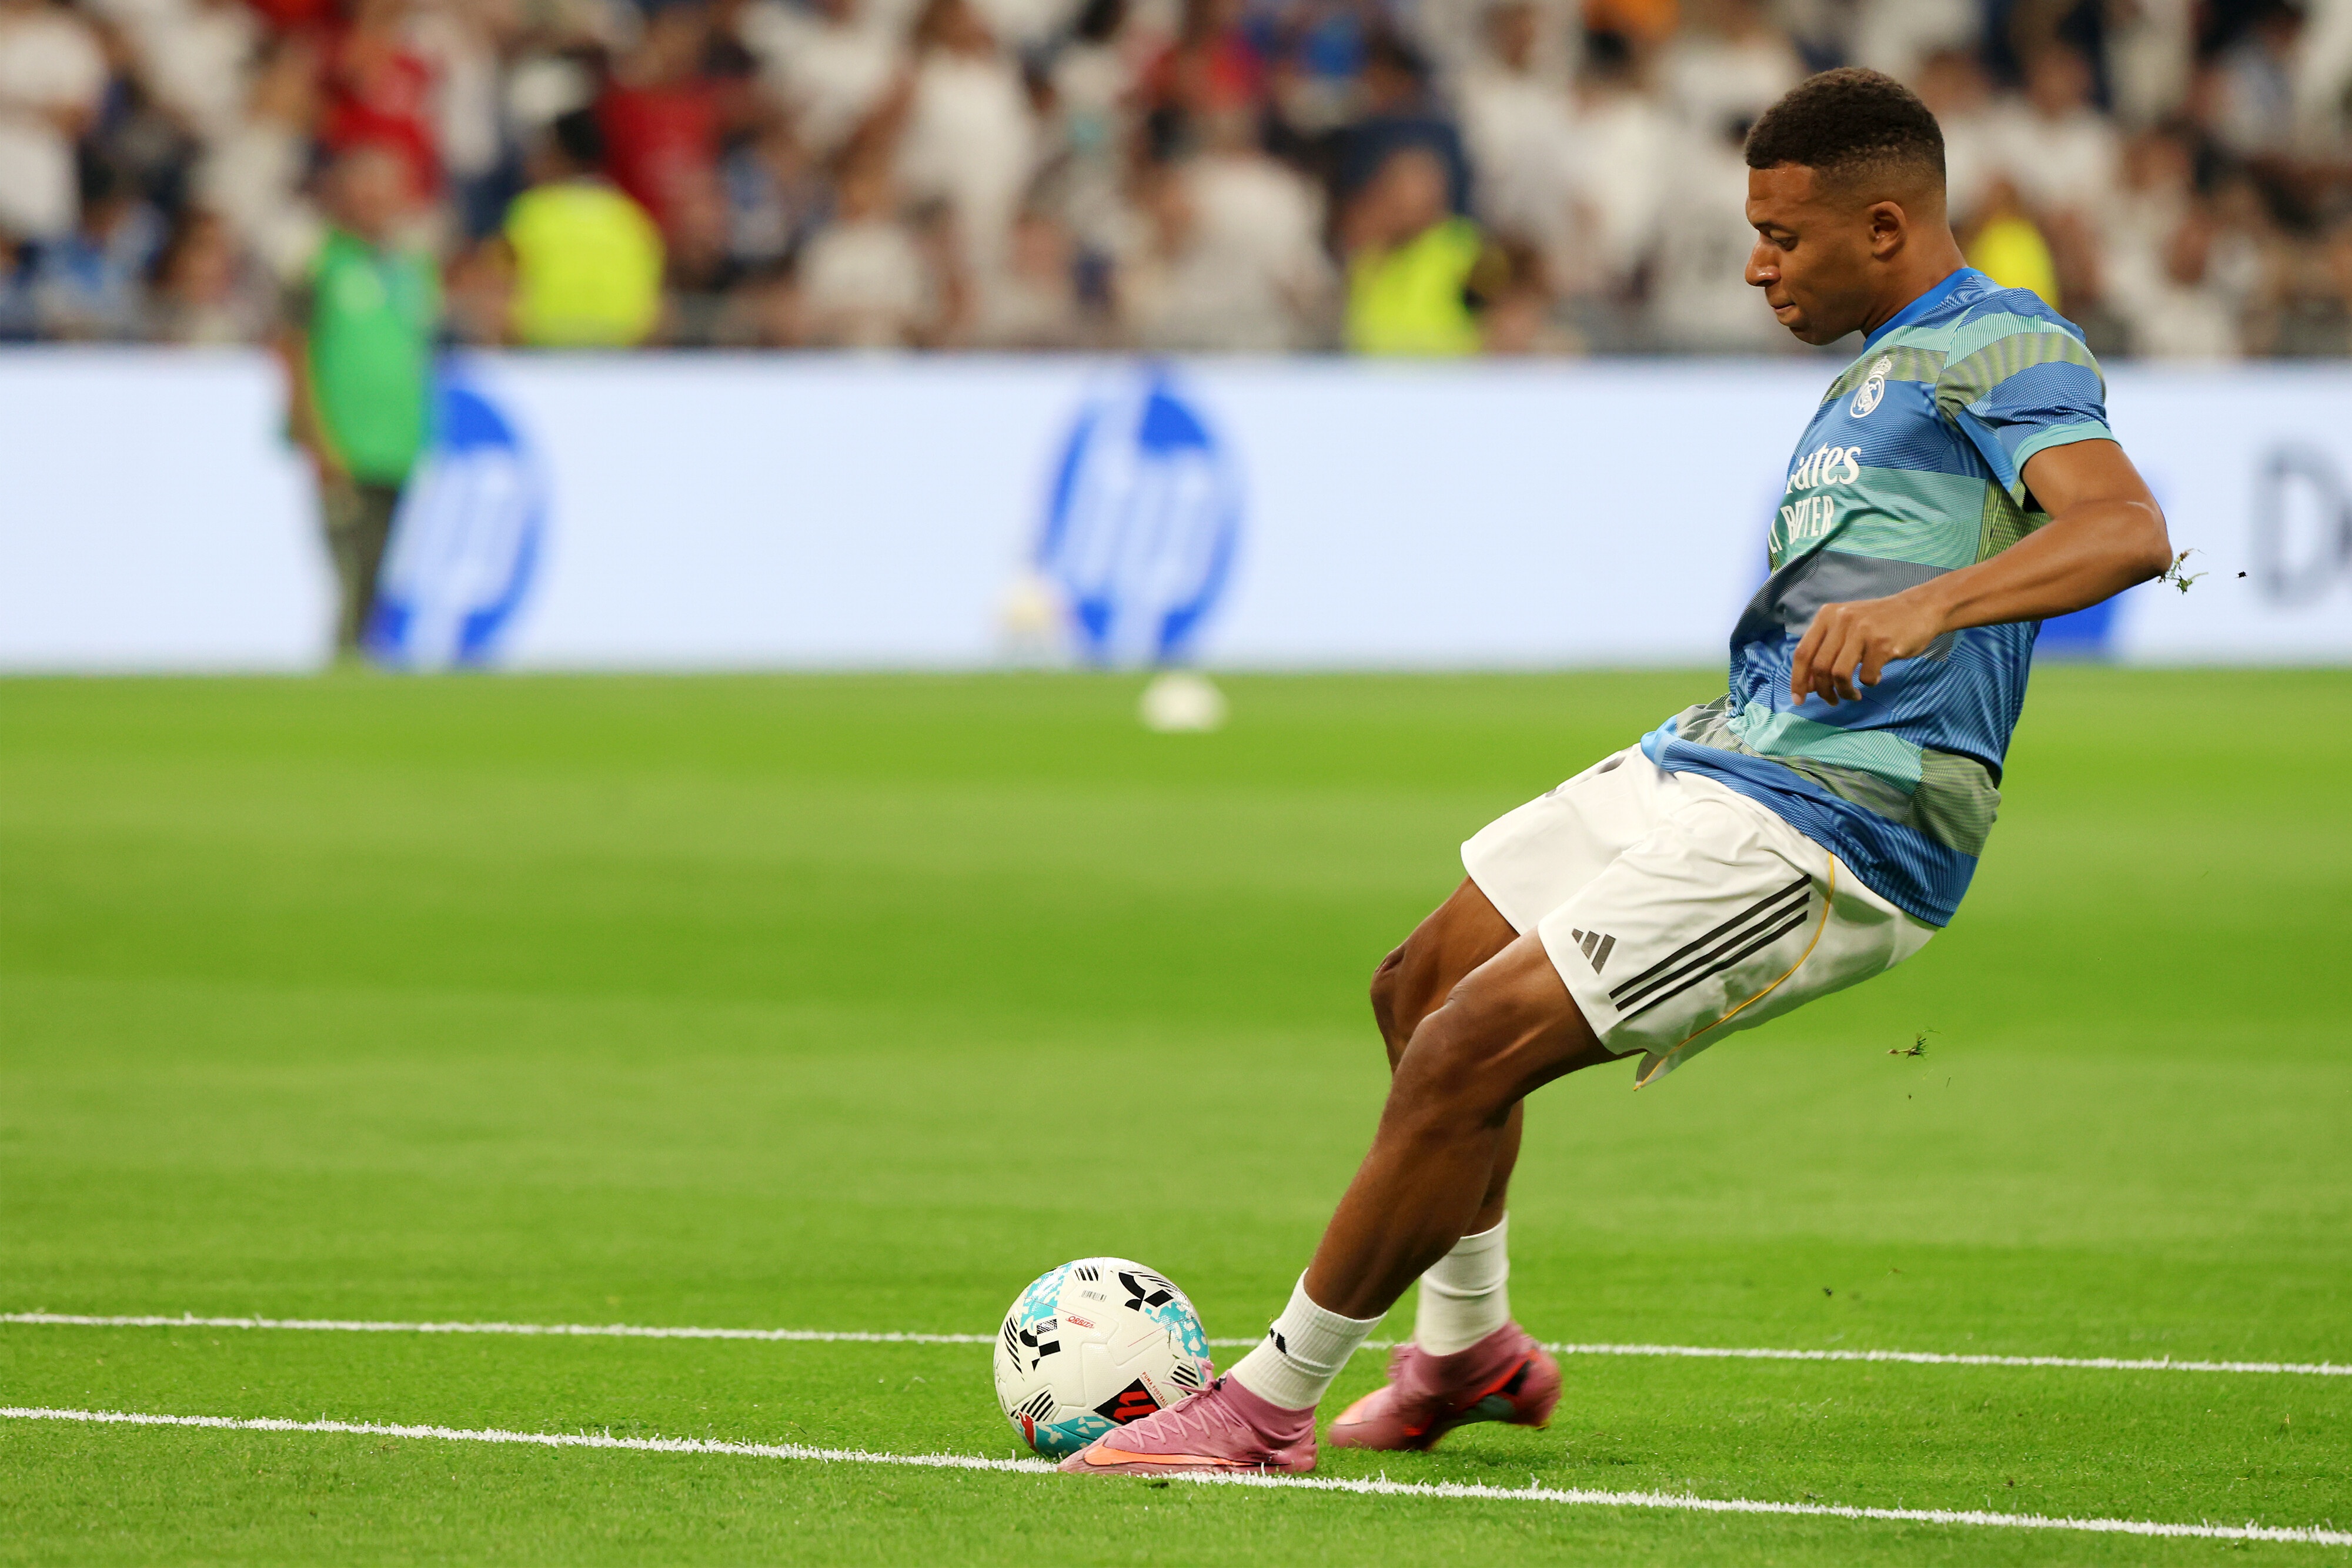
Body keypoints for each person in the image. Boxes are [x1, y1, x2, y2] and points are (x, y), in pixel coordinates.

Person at [1058, 66, 2176, 1477]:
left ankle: (1267, 1407)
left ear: (1885, 228)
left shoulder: (2003, 340)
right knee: (1418, 985)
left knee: (1469, 1045)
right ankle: (1465, 1349)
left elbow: (2126, 529)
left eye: (1781, 237)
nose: (1756, 266)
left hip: (1841, 821)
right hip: (1726, 752)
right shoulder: (1874, 366)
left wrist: (1922, 609)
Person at [278, 144, 441, 658]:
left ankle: (359, 667)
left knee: (379, 573)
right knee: (350, 571)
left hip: (398, 443)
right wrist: (316, 437)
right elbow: (293, 353)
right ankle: (345, 667)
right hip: (344, 444)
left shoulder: (411, 269)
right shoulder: (319, 266)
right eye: (364, 196)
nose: (375, 208)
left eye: (385, 197)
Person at [502, 107, 666, 348]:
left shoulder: (530, 215)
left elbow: (498, 293)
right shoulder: (632, 219)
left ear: (559, 155)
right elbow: (656, 308)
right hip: (621, 356)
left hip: (542, 354)